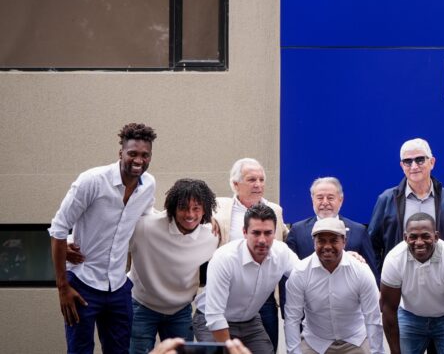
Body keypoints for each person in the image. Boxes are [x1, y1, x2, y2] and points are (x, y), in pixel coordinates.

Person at [49, 122, 158, 354]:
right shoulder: (92, 181)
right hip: (82, 283)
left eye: (145, 155)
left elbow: (148, 218)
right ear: (121, 153)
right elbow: (58, 228)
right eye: (132, 153)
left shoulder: (148, 185)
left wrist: (206, 221)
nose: (139, 160)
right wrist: (63, 287)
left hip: (118, 286)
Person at [127, 179, 220, 354]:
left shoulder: (212, 236)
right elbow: (112, 236)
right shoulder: (145, 227)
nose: (190, 214)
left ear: (205, 210)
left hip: (180, 311)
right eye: (183, 207)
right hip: (142, 306)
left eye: (196, 208)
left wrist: (214, 220)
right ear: (172, 208)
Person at [193, 203, 299, 354]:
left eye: (268, 233)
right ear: (244, 232)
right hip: (210, 321)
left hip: (250, 321)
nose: (262, 240)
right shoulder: (225, 258)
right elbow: (215, 316)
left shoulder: (282, 252)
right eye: (256, 233)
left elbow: (304, 277)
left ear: (275, 233)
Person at [214, 158, 289, 348]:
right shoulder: (219, 208)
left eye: (261, 180)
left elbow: (288, 240)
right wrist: (207, 219)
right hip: (229, 295)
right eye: (252, 180)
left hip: (264, 297)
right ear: (235, 184)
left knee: (267, 347)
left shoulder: (275, 211)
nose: (258, 185)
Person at [284, 217, 384, 354]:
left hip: (355, 340)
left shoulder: (361, 271)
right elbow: (292, 319)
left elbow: (373, 318)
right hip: (315, 342)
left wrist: (377, 352)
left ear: (344, 242)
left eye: (333, 241)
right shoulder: (300, 272)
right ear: (314, 243)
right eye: (321, 241)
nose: (327, 246)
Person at [380, 213, 444, 354]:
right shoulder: (394, 260)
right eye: (413, 237)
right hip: (410, 317)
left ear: (436, 236)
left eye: (425, 236)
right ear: (405, 238)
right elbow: (388, 310)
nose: (419, 242)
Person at [368, 138, 444, 268]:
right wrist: (380, 276)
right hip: (399, 276)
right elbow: (372, 245)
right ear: (402, 166)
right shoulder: (386, 199)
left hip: (443, 274)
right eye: (408, 161)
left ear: (432, 162)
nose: (414, 166)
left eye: (420, 159)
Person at [286, 176, 378, 276]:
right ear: (312, 200)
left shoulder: (359, 231)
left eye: (330, 198)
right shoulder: (297, 231)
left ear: (341, 200)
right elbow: (288, 273)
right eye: (320, 198)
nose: (325, 202)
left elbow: (371, 273)